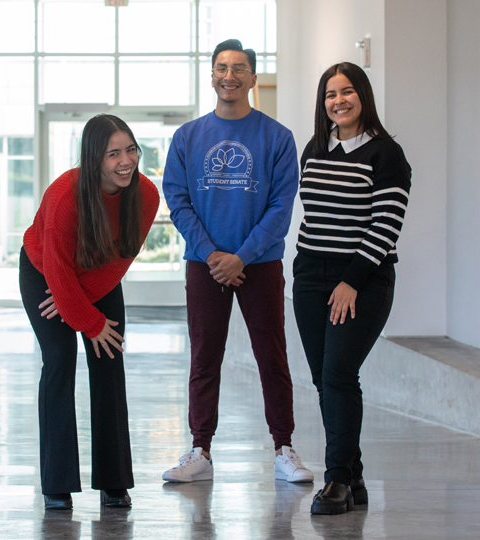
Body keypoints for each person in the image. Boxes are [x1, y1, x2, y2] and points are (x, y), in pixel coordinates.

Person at [161, 39, 313, 485]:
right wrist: (212, 255)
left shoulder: (278, 138)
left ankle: (284, 447)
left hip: (260, 264)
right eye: (222, 67)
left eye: (239, 68)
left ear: (252, 77)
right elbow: (177, 199)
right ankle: (200, 450)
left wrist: (241, 256)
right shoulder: (187, 137)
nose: (230, 75)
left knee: (273, 357)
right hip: (204, 263)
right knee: (205, 357)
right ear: (211, 76)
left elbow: (281, 208)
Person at [19, 114, 159, 511]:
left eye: (130, 150)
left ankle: (114, 482)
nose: (125, 161)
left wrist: (85, 312)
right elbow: (58, 268)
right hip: (45, 273)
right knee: (60, 360)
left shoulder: (146, 195)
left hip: (102, 275)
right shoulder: (65, 195)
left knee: (108, 358)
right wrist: (78, 312)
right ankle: (57, 484)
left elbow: (123, 258)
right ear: (94, 158)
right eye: (113, 153)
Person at [294, 62, 411, 515]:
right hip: (310, 276)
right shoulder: (315, 148)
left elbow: (386, 226)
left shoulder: (386, 154)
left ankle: (337, 480)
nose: (338, 101)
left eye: (346, 92)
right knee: (325, 379)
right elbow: (313, 215)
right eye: (329, 94)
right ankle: (354, 477)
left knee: (339, 373)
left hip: (363, 278)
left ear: (363, 95)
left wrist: (351, 281)